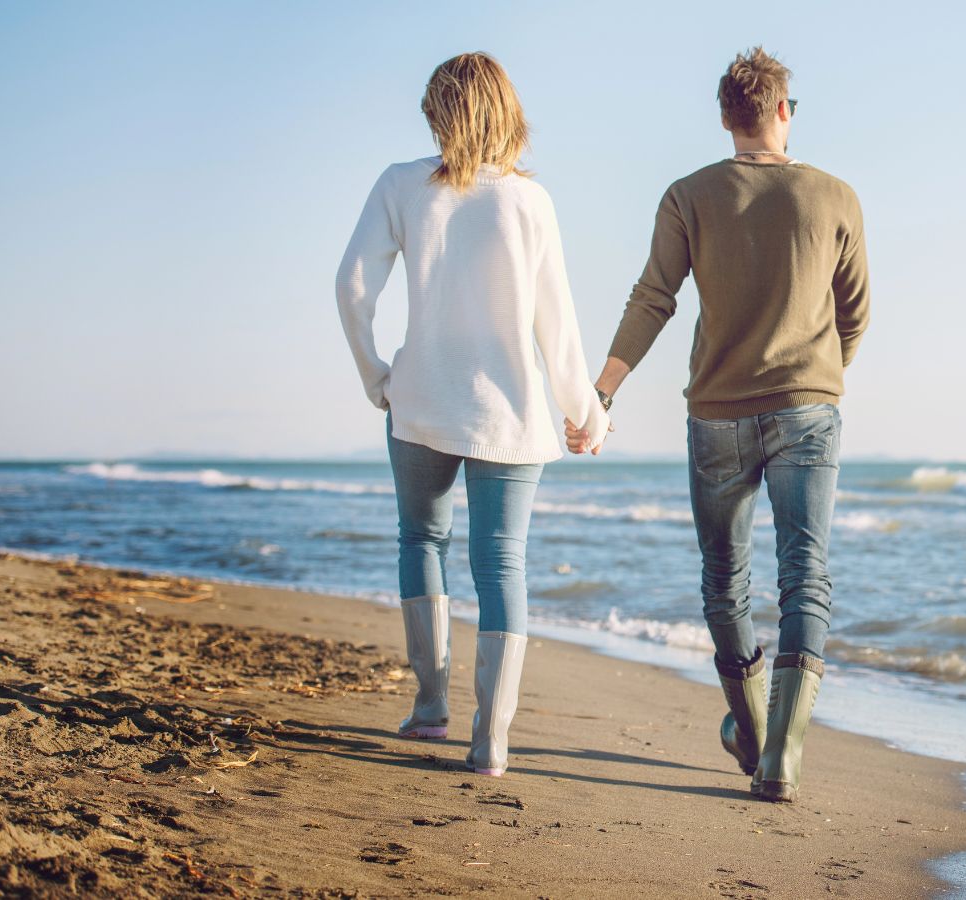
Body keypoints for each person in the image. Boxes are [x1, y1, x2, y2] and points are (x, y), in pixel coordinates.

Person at [568, 46, 870, 802]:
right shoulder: (835, 196)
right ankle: (783, 758)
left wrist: (603, 390)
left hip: (716, 416)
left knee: (723, 578)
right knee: (806, 576)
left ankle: (752, 728)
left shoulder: (688, 195)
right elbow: (855, 312)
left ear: (727, 118)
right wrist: (819, 376)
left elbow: (653, 297)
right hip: (809, 408)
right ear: (779, 112)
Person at [336, 52, 610, 777]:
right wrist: (585, 411)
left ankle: (431, 710)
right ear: (507, 111)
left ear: (438, 112)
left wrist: (377, 377)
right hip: (510, 410)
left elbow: (350, 286)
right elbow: (559, 323)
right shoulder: (529, 201)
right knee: (502, 564)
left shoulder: (401, 184)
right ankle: (491, 741)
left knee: (421, 541)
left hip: (420, 397)